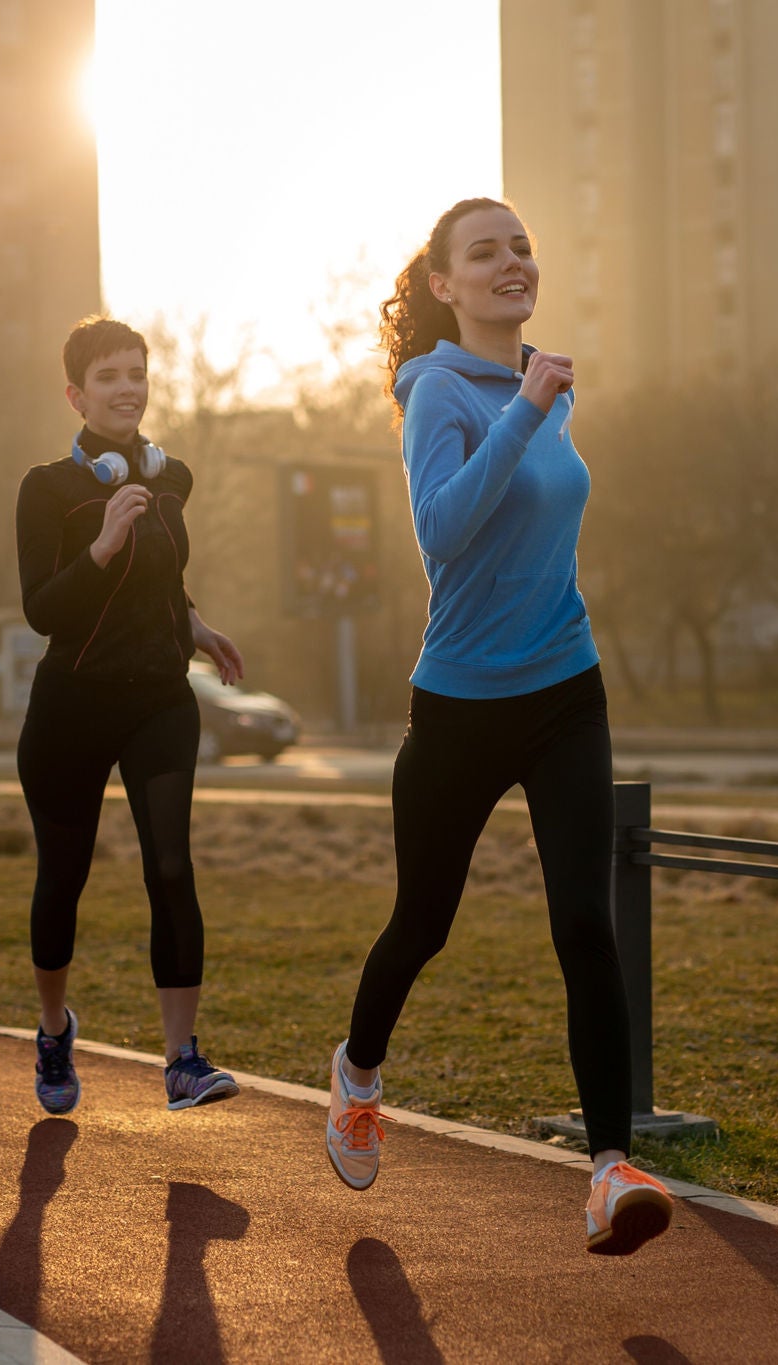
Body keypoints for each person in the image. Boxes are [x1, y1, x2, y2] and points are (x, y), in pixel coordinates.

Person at [323, 199, 676, 1256]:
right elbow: (441, 529)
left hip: (566, 686)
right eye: (485, 253)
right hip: (462, 703)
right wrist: (523, 405)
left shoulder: (541, 385)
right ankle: (355, 1074)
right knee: (422, 924)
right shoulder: (437, 390)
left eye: (521, 247)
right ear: (444, 285)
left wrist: (531, 399)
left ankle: (608, 1170)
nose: (511, 263)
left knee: (584, 924)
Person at [13, 315, 245, 1116]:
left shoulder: (170, 476)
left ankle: (182, 1058)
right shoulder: (46, 489)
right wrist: (102, 545)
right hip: (71, 707)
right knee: (63, 879)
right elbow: (43, 610)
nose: (127, 388)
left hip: (158, 699)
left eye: (137, 373)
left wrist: (194, 623)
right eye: (109, 376)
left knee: (170, 865)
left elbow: (163, 575)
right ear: (77, 394)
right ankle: (52, 1031)